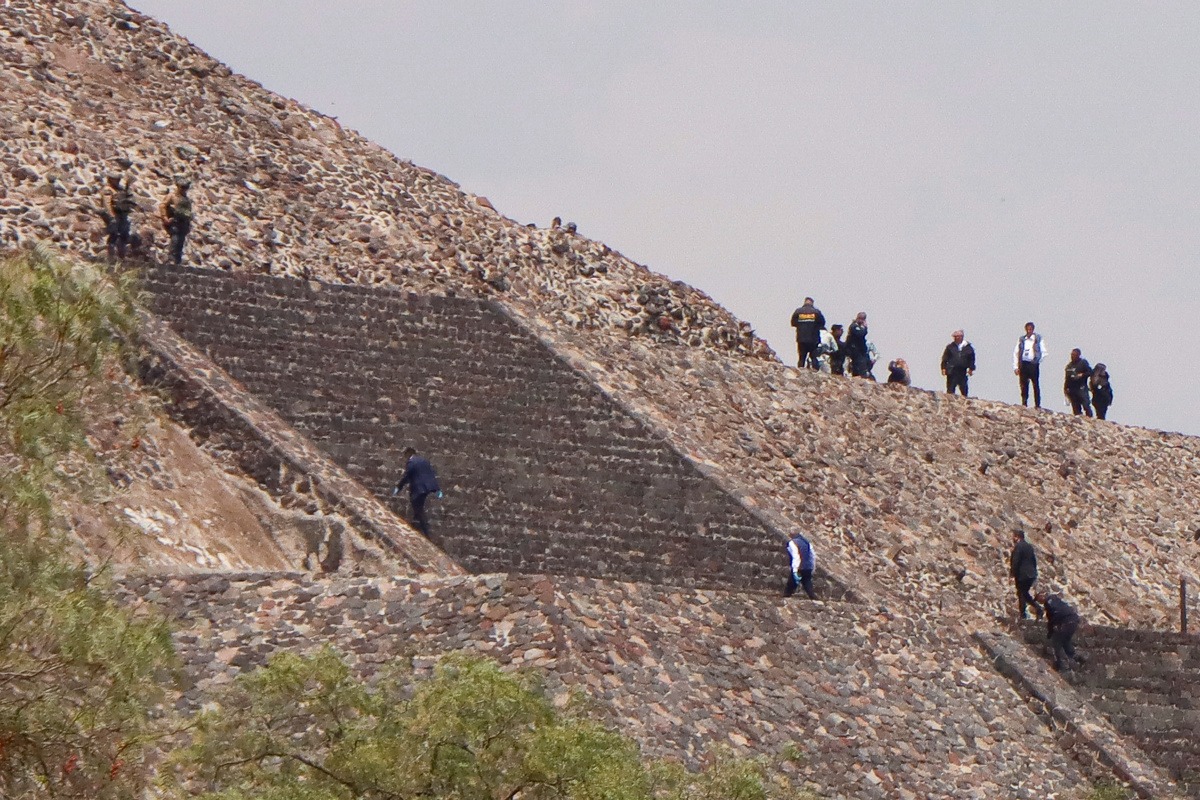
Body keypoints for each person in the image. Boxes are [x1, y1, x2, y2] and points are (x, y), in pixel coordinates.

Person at [391, 447, 441, 538]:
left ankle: (426, 532)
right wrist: (437, 489)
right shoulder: (424, 461)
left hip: (419, 488)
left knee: (417, 506)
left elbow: (407, 476)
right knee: (419, 505)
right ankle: (416, 523)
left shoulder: (411, 462)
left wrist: (398, 487)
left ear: (408, 454)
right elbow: (431, 474)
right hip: (427, 488)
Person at [1036, 590, 1085, 671]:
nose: (1039, 601)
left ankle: (1062, 664)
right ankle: (1076, 657)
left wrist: (1053, 628)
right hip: (1074, 620)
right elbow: (1052, 620)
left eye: (1038, 599)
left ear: (1042, 596)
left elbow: (1057, 614)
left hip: (1067, 621)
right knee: (1065, 640)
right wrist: (1051, 630)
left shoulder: (1049, 602)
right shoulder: (1055, 600)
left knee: (1057, 641)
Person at [1013, 322, 1047, 408]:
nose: (1029, 331)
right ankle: (1024, 403)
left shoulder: (1038, 338)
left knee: (1035, 384)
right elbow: (1016, 352)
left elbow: (1044, 351)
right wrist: (1016, 366)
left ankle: (1037, 404)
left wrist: (1037, 361)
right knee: (1023, 384)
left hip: (1033, 364)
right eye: (1028, 329)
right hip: (1023, 364)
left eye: (1030, 329)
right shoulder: (1021, 339)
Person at [103, 174, 137, 260]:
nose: (118, 181)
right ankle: (111, 256)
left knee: (124, 235)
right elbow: (107, 204)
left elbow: (128, 197)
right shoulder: (108, 190)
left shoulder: (120, 189)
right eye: (115, 179)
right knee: (114, 235)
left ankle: (122, 256)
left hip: (123, 214)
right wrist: (112, 216)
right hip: (115, 214)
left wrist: (128, 186)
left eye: (118, 179)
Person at [1009, 530, 1041, 620]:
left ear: (1017, 537)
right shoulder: (1029, 546)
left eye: (1013, 536)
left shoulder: (1019, 546)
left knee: (1021, 593)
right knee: (1024, 593)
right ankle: (1037, 608)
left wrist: (1012, 574)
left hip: (1022, 574)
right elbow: (1033, 561)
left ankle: (1023, 614)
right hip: (1030, 574)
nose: (1012, 538)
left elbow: (1016, 561)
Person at [161, 179, 194, 266]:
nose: (184, 189)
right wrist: (165, 217)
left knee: (180, 243)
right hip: (175, 222)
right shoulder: (172, 196)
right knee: (175, 240)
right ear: (178, 187)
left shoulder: (187, 200)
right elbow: (163, 205)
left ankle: (177, 261)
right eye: (182, 187)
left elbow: (188, 211)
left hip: (184, 223)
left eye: (186, 187)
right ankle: (170, 259)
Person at [790, 297, 826, 370]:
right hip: (813, 339)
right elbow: (822, 323)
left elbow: (793, 323)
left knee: (801, 358)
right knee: (814, 357)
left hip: (801, 339)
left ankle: (800, 371)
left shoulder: (798, 312)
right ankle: (815, 372)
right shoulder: (816, 312)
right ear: (812, 303)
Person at [940, 330, 976, 397]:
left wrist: (971, 368)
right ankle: (950, 400)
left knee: (963, 388)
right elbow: (945, 358)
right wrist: (943, 368)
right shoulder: (950, 347)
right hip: (952, 370)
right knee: (950, 388)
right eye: (955, 337)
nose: (956, 338)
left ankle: (965, 400)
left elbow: (971, 359)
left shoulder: (968, 348)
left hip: (962, 370)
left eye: (958, 336)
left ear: (962, 337)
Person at [784, 532, 816, 599]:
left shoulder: (792, 543)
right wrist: (813, 567)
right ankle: (813, 597)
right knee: (807, 582)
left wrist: (795, 570)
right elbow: (813, 555)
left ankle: (786, 597)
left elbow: (796, 556)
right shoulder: (807, 543)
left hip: (799, 567)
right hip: (808, 567)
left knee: (791, 583)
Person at [1063, 348, 1093, 417]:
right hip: (1072, 389)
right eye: (1072, 355)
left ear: (1078, 355)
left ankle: (1090, 418)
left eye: (1074, 355)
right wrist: (1065, 389)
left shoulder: (1083, 363)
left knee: (1086, 405)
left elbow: (1090, 372)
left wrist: (1082, 375)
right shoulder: (1069, 366)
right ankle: (1079, 419)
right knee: (1075, 407)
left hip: (1081, 387)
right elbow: (1067, 378)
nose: (1072, 356)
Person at [845, 312, 872, 378]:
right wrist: (865, 328)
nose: (861, 320)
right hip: (854, 350)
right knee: (859, 365)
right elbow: (860, 334)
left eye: (863, 319)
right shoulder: (854, 326)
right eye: (860, 318)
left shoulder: (859, 327)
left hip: (860, 351)